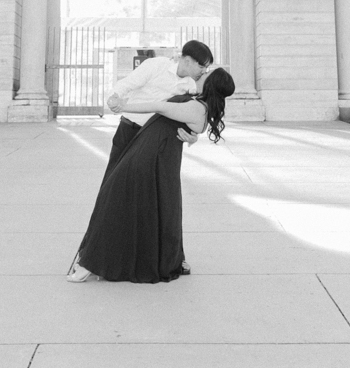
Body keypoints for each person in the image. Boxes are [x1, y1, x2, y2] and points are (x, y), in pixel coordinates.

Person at [68, 66, 236, 284]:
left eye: (207, 74)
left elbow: (160, 107)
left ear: (211, 82)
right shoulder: (196, 102)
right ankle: (104, 261)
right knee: (143, 208)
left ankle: (91, 264)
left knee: (115, 200)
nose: (202, 74)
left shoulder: (196, 108)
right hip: (150, 155)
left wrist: (123, 105)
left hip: (149, 158)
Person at [103, 40, 213, 176]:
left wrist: (193, 137)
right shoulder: (156, 65)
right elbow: (127, 84)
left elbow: (187, 116)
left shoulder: (191, 86)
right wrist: (113, 98)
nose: (204, 71)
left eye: (206, 68)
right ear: (188, 60)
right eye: (202, 66)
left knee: (141, 186)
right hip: (129, 130)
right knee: (114, 178)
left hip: (153, 138)